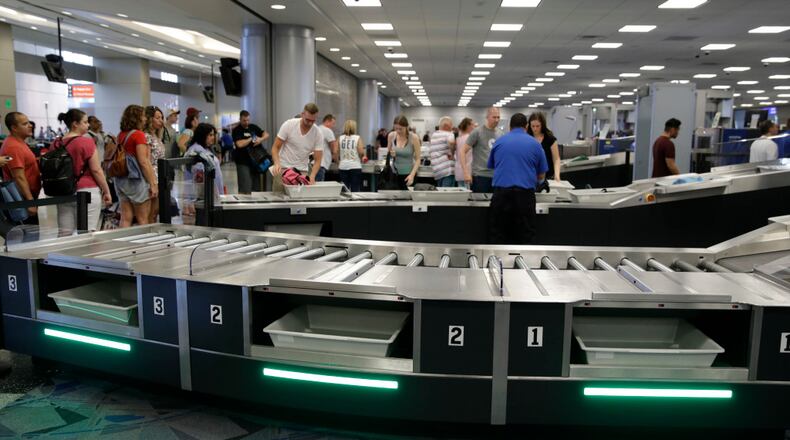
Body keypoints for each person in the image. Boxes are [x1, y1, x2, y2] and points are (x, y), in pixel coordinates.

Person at [487, 113, 548, 245]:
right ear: (526, 126)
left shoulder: (499, 142)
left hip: (501, 195)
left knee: (498, 234)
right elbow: (542, 175)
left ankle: (496, 263)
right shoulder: (535, 144)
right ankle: (524, 263)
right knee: (526, 235)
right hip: (525, 196)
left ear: (510, 127)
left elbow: (492, 166)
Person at [53, 109, 112, 232]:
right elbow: (96, 170)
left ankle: (64, 252)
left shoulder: (56, 143)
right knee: (87, 232)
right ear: (75, 124)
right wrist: (106, 191)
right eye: (85, 122)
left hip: (63, 191)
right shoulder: (86, 142)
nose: (88, 125)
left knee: (64, 233)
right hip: (87, 190)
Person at [114, 105, 158, 228]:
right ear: (137, 118)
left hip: (121, 180)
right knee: (143, 219)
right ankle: (143, 246)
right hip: (136, 181)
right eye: (143, 116)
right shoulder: (138, 135)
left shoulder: (121, 135)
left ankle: (124, 244)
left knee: (125, 217)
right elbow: (143, 162)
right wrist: (153, 183)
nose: (145, 119)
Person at [271, 103, 324, 192]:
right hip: (283, 169)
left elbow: (318, 159)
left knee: (300, 202)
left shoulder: (318, 133)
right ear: (302, 114)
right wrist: (276, 163)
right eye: (307, 120)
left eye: (313, 120)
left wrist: (312, 175)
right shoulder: (289, 125)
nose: (310, 123)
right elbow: (275, 147)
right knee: (279, 199)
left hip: (301, 172)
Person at [1, 112, 41, 223]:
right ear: (14, 128)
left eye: (28, 122)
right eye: (25, 124)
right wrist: (30, 202)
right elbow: (19, 177)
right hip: (22, 197)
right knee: (28, 237)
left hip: (27, 195)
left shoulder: (20, 143)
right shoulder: (13, 146)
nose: (30, 125)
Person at [461, 107, 502, 193]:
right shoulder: (477, 132)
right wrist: (465, 172)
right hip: (480, 176)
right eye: (494, 117)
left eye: (498, 117)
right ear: (487, 117)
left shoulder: (500, 134)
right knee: (480, 204)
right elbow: (462, 151)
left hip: (496, 176)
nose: (496, 120)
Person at [231, 110, 269, 194]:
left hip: (255, 162)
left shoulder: (253, 127)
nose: (246, 122)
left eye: (248, 120)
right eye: (244, 120)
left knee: (256, 188)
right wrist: (250, 139)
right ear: (240, 119)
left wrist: (260, 139)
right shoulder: (236, 130)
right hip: (243, 162)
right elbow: (239, 144)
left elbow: (266, 134)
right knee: (245, 187)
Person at [185, 123, 224, 197]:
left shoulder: (204, 149)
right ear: (202, 135)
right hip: (204, 196)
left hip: (211, 194)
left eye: (213, 135)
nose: (213, 137)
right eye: (210, 135)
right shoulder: (196, 151)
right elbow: (199, 178)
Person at [144, 106, 167, 223]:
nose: (161, 120)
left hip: (160, 175)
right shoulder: (147, 136)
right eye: (157, 118)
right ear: (149, 119)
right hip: (152, 177)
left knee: (155, 211)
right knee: (150, 213)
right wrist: (152, 182)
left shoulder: (157, 136)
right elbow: (146, 160)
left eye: (162, 118)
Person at [387, 115, 421, 189]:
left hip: (409, 175)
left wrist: (412, 175)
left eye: (401, 129)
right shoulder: (391, 136)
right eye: (396, 128)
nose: (398, 131)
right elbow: (388, 155)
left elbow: (418, 159)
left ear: (406, 127)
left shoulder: (414, 138)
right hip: (394, 175)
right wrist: (391, 154)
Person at [527, 112, 561, 181]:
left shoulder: (550, 139)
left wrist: (557, 175)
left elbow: (556, 159)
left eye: (537, 126)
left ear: (542, 125)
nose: (535, 129)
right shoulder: (527, 138)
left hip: (548, 176)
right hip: (531, 177)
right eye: (533, 126)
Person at [338, 120, 366, 192]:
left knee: (344, 189)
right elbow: (361, 151)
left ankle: (344, 203)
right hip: (355, 166)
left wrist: (338, 162)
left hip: (343, 166)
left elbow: (335, 152)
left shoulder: (340, 138)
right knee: (355, 188)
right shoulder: (357, 138)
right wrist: (361, 156)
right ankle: (355, 202)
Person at [429, 116, 456, 187]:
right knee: (447, 195)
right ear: (447, 126)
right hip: (447, 170)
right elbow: (451, 142)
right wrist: (453, 154)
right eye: (451, 125)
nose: (452, 128)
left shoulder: (434, 135)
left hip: (437, 171)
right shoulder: (449, 134)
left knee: (441, 194)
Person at [316, 114, 338, 182]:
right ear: (327, 121)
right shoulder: (327, 130)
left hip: (314, 163)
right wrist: (337, 160)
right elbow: (333, 147)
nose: (333, 126)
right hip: (322, 163)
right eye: (333, 123)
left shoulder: (317, 128)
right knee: (320, 187)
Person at [454, 117, 475, 188]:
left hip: (459, 170)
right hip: (467, 170)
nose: (474, 126)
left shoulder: (458, 139)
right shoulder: (470, 138)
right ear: (468, 126)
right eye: (472, 124)